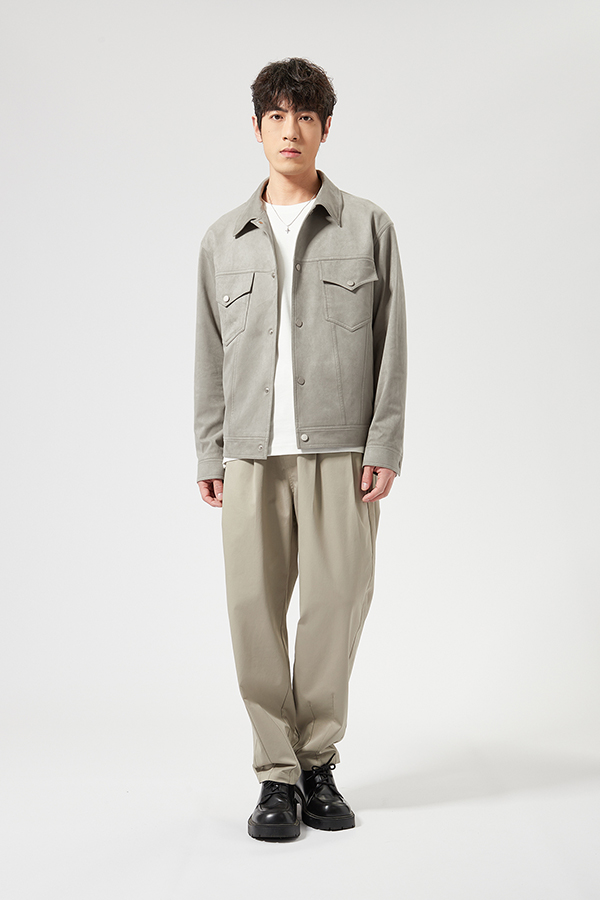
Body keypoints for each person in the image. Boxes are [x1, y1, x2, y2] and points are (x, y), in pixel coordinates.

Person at [194, 57, 407, 841]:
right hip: (250, 456)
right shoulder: (223, 240)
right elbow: (208, 354)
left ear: (324, 128)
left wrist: (384, 441)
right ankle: (275, 777)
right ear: (257, 128)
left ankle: (317, 764)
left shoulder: (368, 227)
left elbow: (392, 343)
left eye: (306, 116)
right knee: (252, 611)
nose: (291, 130)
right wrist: (210, 451)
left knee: (333, 607)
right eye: (277, 116)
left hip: (340, 456)